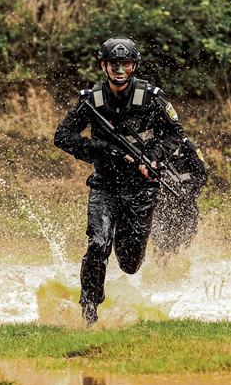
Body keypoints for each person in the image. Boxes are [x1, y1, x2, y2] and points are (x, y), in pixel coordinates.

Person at [54, 37, 185, 326]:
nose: (120, 70)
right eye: (114, 64)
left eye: (126, 64)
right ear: (104, 65)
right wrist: (104, 150)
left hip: (141, 187)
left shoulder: (151, 97)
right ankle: (89, 310)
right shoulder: (91, 99)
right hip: (104, 184)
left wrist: (152, 156)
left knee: (129, 263)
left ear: (134, 66)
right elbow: (62, 137)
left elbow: (176, 134)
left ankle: (128, 256)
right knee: (98, 243)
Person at [149, 137, 208, 262]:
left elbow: (202, 175)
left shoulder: (189, 148)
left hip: (186, 206)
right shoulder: (152, 147)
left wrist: (188, 188)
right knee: (161, 249)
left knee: (184, 247)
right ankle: (163, 277)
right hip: (161, 206)